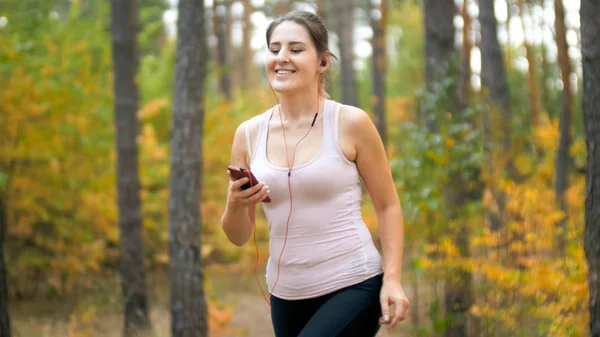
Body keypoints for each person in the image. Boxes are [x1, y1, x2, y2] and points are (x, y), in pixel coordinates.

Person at [221, 10, 409, 337]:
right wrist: (236, 205)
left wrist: (392, 278)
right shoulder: (248, 134)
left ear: (323, 62)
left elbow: (388, 205)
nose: (282, 57)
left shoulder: (351, 123)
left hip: (353, 281)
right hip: (286, 293)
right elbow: (238, 236)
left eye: (295, 49)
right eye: (274, 48)